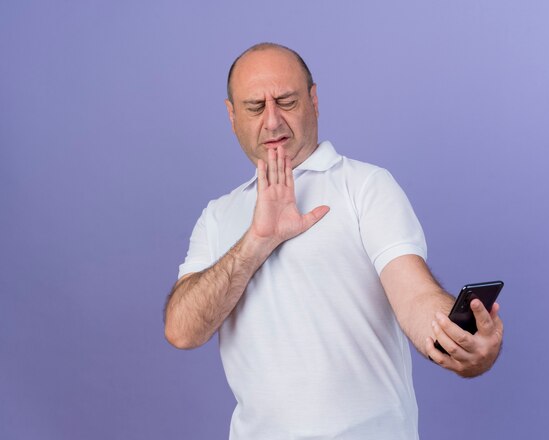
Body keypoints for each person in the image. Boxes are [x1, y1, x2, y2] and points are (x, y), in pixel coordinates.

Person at [164, 42, 503, 439]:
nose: (272, 122)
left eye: (286, 101)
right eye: (255, 107)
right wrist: (257, 241)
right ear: (231, 115)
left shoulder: (365, 186)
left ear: (314, 100)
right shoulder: (217, 216)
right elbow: (182, 330)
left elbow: (414, 295)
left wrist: (460, 342)